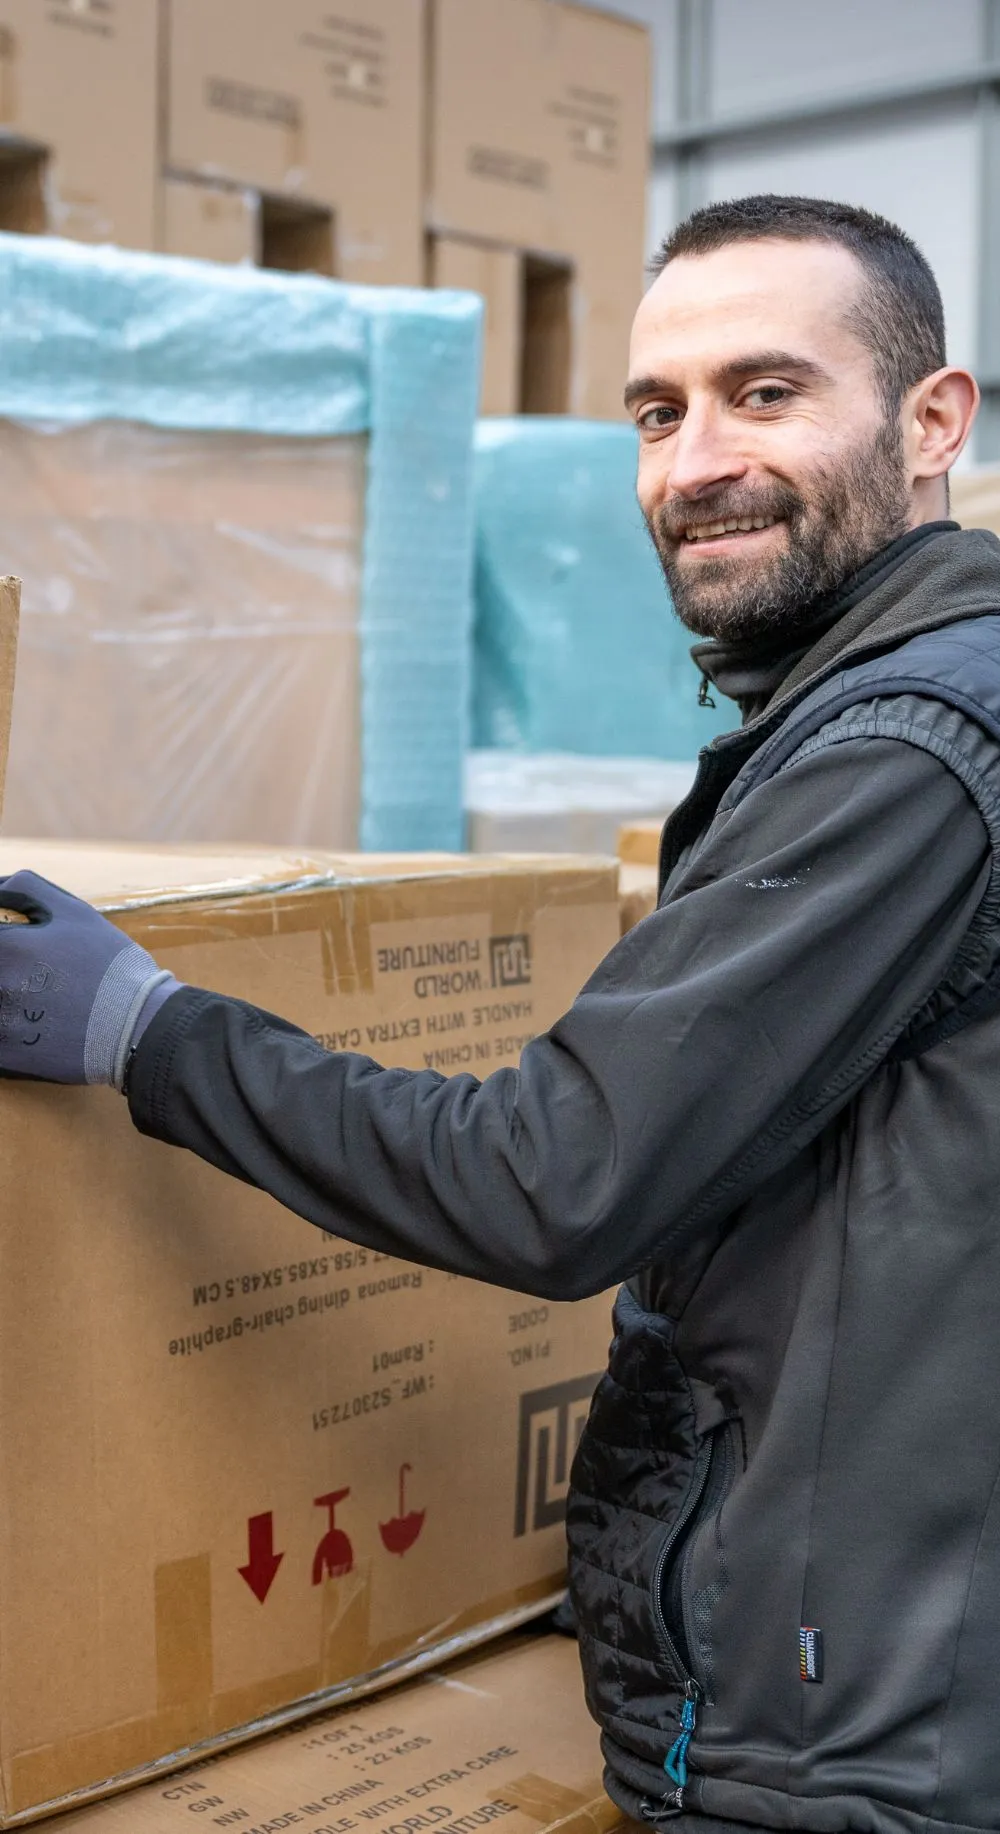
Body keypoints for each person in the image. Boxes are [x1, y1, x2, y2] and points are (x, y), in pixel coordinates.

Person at [1, 192, 998, 1834]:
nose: (694, 465)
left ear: (931, 419)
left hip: (854, 1757)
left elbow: (559, 1173)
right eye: (658, 413)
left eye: (766, 393)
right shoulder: (875, 716)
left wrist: (144, 1027)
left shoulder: (911, 755)